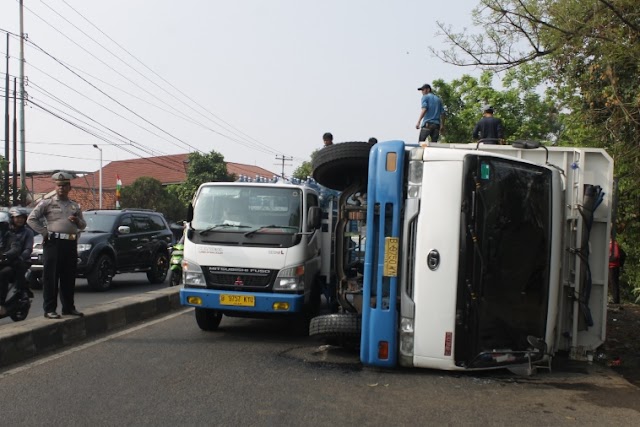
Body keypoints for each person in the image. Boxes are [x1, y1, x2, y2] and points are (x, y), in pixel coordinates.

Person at [27, 171, 86, 319]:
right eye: (59, 186)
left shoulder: (74, 206)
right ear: (55, 187)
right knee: (51, 277)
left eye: (64, 185)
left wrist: (78, 222)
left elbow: (83, 225)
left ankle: (68, 307)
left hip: (70, 243)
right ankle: (49, 309)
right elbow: (31, 219)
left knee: (69, 276)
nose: (61, 188)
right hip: (54, 243)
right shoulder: (47, 203)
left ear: (69, 188)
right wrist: (44, 232)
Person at [0, 209, 34, 316]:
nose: (19, 220)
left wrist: (11, 256)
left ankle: (3, 302)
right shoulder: (6, 233)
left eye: (21, 218)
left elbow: (21, 249)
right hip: (5, 261)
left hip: (19, 261)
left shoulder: (15, 235)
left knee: (4, 273)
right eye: (17, 217)